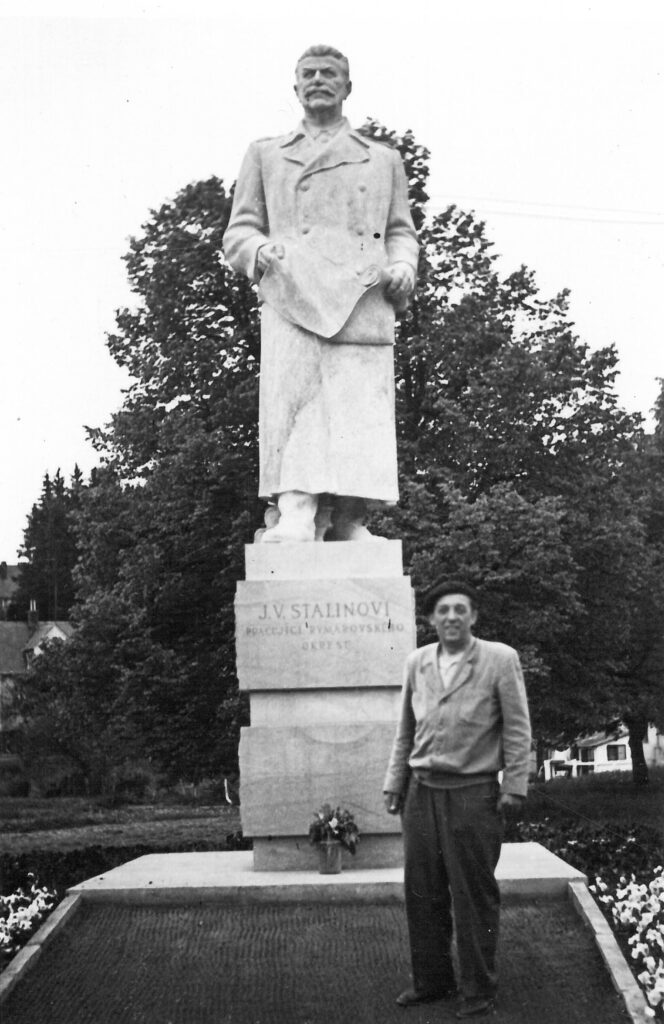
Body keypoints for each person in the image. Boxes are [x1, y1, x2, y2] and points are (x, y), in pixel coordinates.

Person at [223, 45, 419, 542]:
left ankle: (351, 518)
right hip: (293, 295)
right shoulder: (266, 154)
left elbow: (401, 231)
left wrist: (403, 266)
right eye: (308, 73)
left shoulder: (381, 159)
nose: (318, 80)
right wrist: (258, 251)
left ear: (347, 86)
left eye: (329, 73)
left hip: (362, 296)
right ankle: (295, 511)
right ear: (295, 88)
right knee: (296, 403)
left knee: (357, 412)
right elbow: (239, 231)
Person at [383, 579, 532, 1019]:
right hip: (421, 793)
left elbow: (518, 728)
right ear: (431, 619)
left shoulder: (500, 660)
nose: (451, 617)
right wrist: (395, 782)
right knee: (423, 893)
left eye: (460, 609)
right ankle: (431, 982)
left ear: (474, 616)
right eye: (443, 610)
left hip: (473, 794)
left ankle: (479, 988)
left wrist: (515, 786)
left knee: (473, 896)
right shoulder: (417, 662)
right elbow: (405, 731)